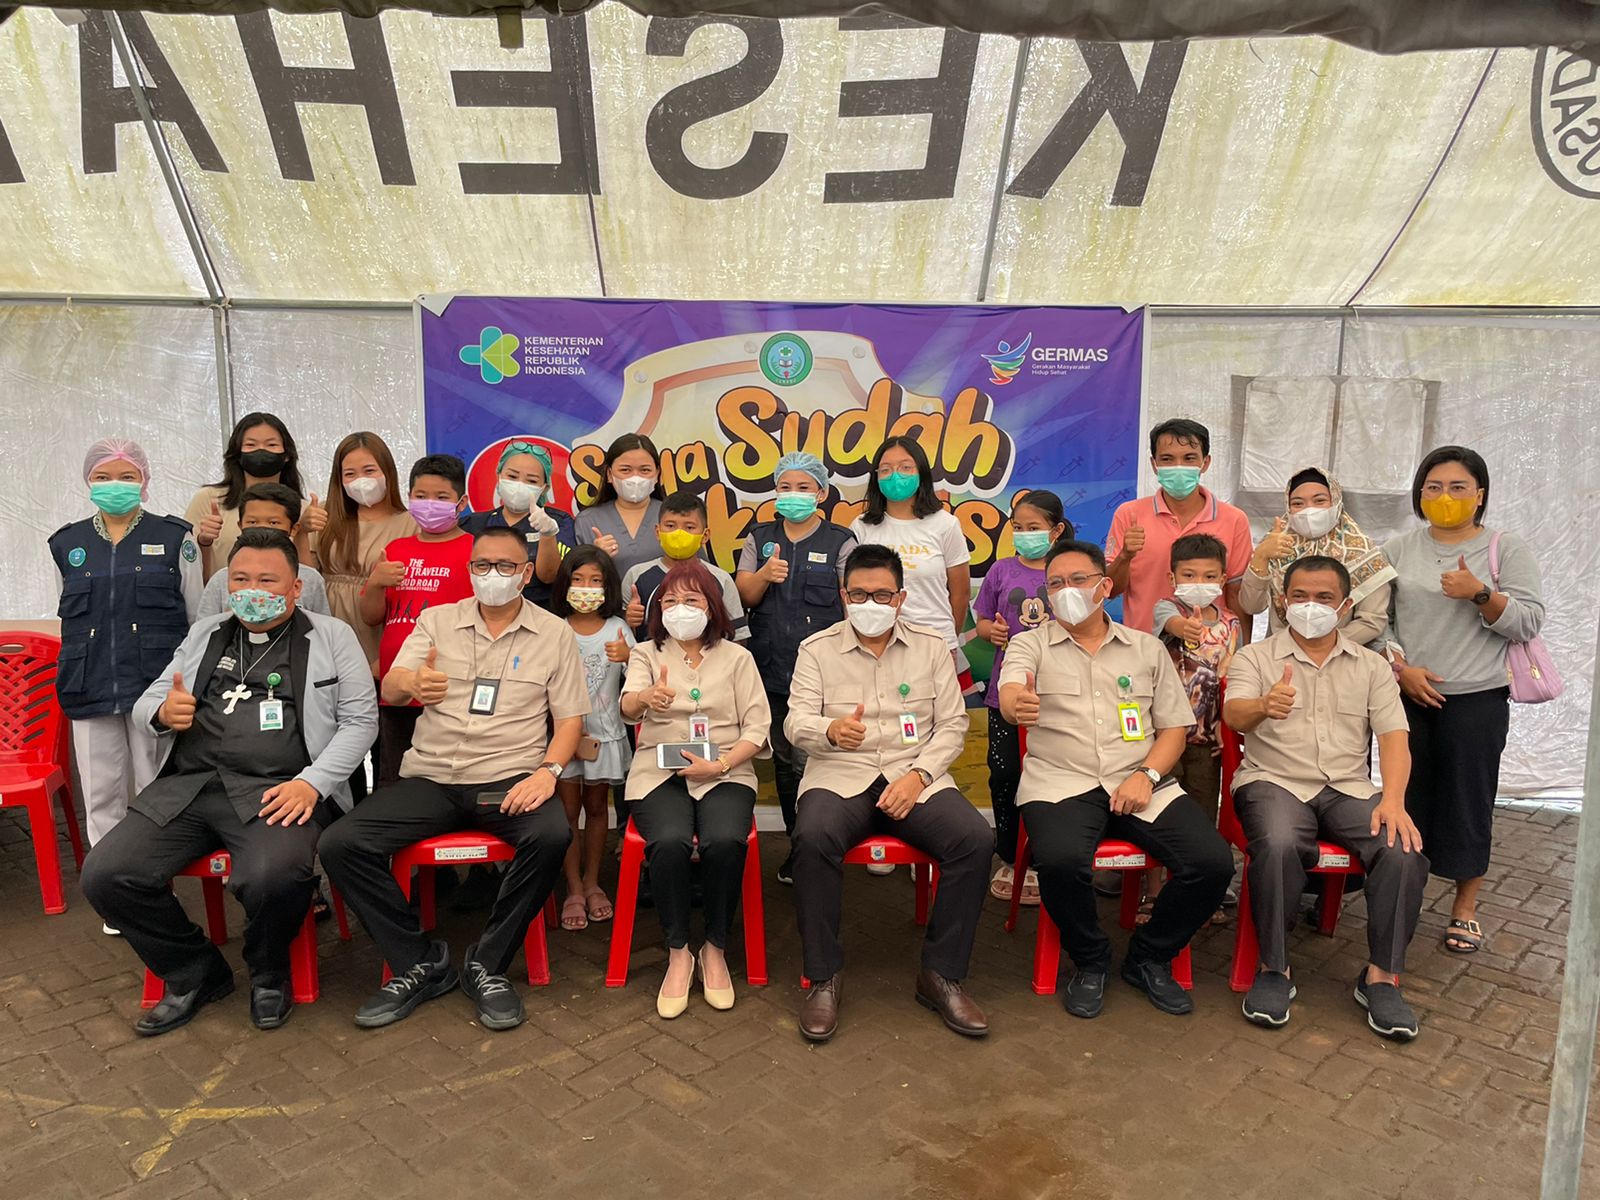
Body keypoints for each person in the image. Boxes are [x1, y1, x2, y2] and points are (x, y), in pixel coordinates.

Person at [80, 529, 377, 1036]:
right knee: (106, 874)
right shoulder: (207, 632)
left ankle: (269, 972)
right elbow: (152, 699)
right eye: (240, 579)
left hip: (282, 789)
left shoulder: (331, 636)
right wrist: (162, 713)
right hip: (192, 785)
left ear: (296, 588)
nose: (251, 590)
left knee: (273, 878)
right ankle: (194, 972)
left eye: (267, 580)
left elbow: (360, 722)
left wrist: (313, 784)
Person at [318, 528, 586, 1032]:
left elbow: (570, 719)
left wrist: (548, 773)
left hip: (508, 775)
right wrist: (413, 681)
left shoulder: (554, 633)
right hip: (434, 776)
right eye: (482, 565)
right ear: (469, 570)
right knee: (340, 843)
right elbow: (393, 685)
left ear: (526, 573)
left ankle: (488, 963)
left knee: (551, 835)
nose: (492, 575)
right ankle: (420, 962)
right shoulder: (437, 621)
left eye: (505, 566)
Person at [998, 539, 1233, 1021]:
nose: (1066, 591)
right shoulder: (1029, 644)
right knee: (1060, 862)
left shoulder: (1145, 648)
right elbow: (1011, 690)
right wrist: (1015, 703)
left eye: (1077, 580)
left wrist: (1147, 775)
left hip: (1140, 780)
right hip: (1060, 781)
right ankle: (1091, 960)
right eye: (1055, 584)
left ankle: (1149, 956)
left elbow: (1174, 728)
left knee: (1212, 863)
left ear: (1105, 586)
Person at [785, 545, 992, 1043]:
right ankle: (823, 977)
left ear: (900, 598)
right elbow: (795, 721)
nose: (870, 603)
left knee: (974, 840)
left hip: (912, 776)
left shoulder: (931, 647)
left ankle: (941, 975)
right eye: (859, 594)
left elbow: (953, 724)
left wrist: (919, 775)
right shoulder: (816, 649)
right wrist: (830, 730)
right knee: (812, 838)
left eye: (881, 594)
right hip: (841, 774)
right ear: (844, 595)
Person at [1222, 555, 1427, 1040]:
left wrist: (1393, 801)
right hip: (1274, 780)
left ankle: (1381, 977)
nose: (1310, 606)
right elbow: (1233, 715)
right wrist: (1263, 705)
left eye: (1323, 598)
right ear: (1282, 601)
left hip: (1347, 787)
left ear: (1345, 605)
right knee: (1277, 844)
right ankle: (1275, 969)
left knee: (1401, 849)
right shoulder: (1256, 658)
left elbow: (1394, 738)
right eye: (1299, 596)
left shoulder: (1372, 666)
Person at [1381, 446, 1545, 955]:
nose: (1445, 496)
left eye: (1457, 487)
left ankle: (1465, 907)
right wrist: (1401, 670)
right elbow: (1378, 621)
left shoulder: (1504, 548)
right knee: (1405, 800)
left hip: (1477, 699)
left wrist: (1481, 593)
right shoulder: (1398, 549)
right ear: (1419, 494)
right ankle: (1403, 897)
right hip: (1408, 697)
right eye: (1434, 487)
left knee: (1469, 802)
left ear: (1479, 496)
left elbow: (1529, 621)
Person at [620, 561, 770, 1018]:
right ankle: (678, 951)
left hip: (726, 768)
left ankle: (715, 948)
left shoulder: (738, 657)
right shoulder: (646, 653)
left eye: (691, 600)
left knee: (724, 840)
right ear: (657, 609)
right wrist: (645, 698)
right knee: (669, 841)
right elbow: (627, 706)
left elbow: (758, 726)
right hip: (658, 770)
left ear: (712, 607)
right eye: (670, 601)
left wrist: (719, 764)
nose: (680, 609)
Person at [51, 439, 203, 874]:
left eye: (126, 476)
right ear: (88, 481)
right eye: (102, 476)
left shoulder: (176, 538)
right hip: (89, 682)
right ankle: (110, 880)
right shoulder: (66, 543)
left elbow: (196, 618)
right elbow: (68, 616)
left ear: (144, 479)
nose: (114, 484)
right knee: (100, 794)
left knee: (156, 787)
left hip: (154, 687)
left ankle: (156, 876)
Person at [735, 451, 855, 885]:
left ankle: (828, 846)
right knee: (785, 764)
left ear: (821, 493)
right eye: (785, 487)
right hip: (771, 670)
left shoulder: (841, 541)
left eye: (804, 487)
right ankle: (798, 848)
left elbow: (853, 603)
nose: (793, 494)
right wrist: (765, 574)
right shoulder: (759, 537)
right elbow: (744, 595)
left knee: (823, 761)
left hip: (825, 675)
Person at [972, 489, 1070, 903]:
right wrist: (991, 632)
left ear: (1056, 530)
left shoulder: (1068, 569)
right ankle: (1012, 857)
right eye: (1018, 528)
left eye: (1034, 527)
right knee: (1006, 773)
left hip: (1059, 693)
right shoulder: (1001, 570)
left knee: (1055, 775)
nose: (1025, 535)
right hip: (1006, 694)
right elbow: (982, 620)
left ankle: (1049, 856)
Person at [360, 454, 475, 783]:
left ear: (462, 502)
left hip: (447, 689)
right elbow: (371, 617)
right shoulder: (396, 549)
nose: (430, 504)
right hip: (396, 687)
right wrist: (376, 583)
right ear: (409, 497)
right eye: (421, 496)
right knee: (393, 777)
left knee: (443, 777)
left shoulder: (474, 550)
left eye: (441, 497)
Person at [1147, 532, 1242, 925]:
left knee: (1202, 813)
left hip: (1207, 739)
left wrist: (1226, 726)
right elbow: (1170, 624)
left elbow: (1234, 677)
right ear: (1173, 577)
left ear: (1223, 579)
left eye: (1209, 576)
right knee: (1157, 811)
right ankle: (1154, 892)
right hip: (1163, 737)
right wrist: (1184, 628)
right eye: (1189, 575)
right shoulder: (1166, 609)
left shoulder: (1232, 624)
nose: (1199, 583)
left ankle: (1202, 893)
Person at [1106, 418, 1253, 639]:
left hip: (1210, 650)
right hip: (1143, 646)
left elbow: (1236, 593)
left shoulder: (1234, 519)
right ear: (1154, 464)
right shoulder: (1129, 514)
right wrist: (1125, 556)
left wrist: (1241, 651)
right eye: (1167, 459)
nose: (1178, 466)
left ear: (1205, 462)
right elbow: (1110, 589)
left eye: (1189, 458)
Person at [550, 546, 633, 930]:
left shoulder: (618, 628)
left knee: (598, 808)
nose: (586, 588)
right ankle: (572, 888)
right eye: (578, 579)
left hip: (605, 734)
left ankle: (592, 881)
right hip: (563, 738)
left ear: (608, 586)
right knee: (567, 811)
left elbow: (640, 678)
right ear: (565, 584)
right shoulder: (554, 629)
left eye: (595, 581)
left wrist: (628, 657)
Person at [1237, 467, 1395, 645]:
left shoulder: (1362, 551)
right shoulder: (1276, 545)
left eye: (1320, 501)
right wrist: (1261, 557)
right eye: (1298, 504)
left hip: (1342, 654)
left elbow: (1372, 621)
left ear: (1336, 502)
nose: (1309, 510)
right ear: (1288, 508)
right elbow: (1251, 606)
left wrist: (1323, 646)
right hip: (1279, 651)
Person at [304, 431, 417, 676]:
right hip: (328, 621)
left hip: (380, 628)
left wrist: (387, 656)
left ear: (387, 471)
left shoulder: (411, 523)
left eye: (369, 471)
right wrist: (302, 532)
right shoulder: (324, 515)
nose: (360, 481)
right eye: (350, 474)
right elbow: (307, 579)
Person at [185, 413, 305, 582]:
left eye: (271, 444)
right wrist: (204, 541)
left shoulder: (304, 509)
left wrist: (304, 533)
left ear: (287, 455)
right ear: (237, 454)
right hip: (224, 596)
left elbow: (310, 575)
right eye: (250, 444)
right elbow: (187, 567)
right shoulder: (209, 499)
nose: (261, 450)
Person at [621, 490, 749, 643]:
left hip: (707, 658)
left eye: (689, 527)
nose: (678, 533)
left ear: (705, 535)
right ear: (658, 531)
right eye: (670, 525)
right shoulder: (636, 575)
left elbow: (738, 637)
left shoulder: (721, 579)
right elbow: (617, 633)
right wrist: (628, 619)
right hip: (650, 658)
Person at [459, 440, 569, 609]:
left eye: (531, 481)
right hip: (481, 613)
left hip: (540, 615)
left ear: (544, 488)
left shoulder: (559, 522)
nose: (519, 485)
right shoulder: (473, 524)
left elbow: (549, 576)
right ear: (499, 476)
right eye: (512, 476)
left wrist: (548, 534)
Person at [196, 484, 329, 618]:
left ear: (294, 529)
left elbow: (321, 624)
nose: (262, 528)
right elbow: (205, 626)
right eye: (253, 522)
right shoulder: (221, 579)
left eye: (273, 523)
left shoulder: (311, 579)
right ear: (240, 525)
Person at [575, 433, 666, 580]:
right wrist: (594, 557)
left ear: (657, 474)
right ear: (610, 474)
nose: (635, 478)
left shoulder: (674, 516)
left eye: (645, 470)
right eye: (625, 470)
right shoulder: (588, 520)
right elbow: (573, 578)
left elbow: (699, 570)